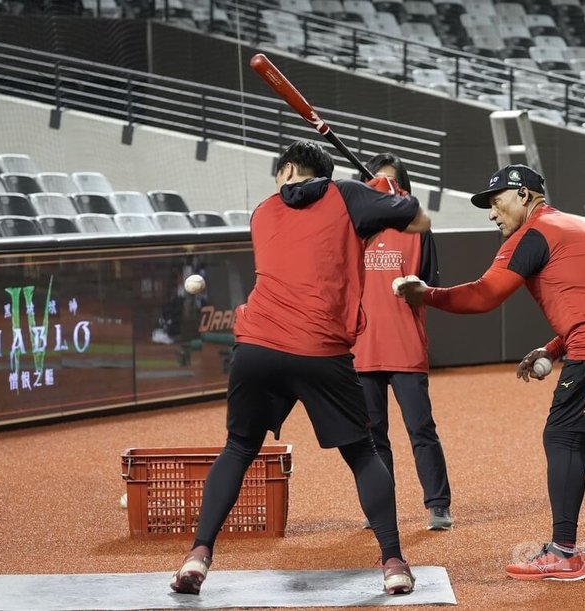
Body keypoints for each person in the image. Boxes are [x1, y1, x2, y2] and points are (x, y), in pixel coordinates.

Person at [170, 140, 431, 596]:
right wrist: (387, 192)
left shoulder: (263, 211)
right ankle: (392, 561)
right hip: (319, 348)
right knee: (363, 454)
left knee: (237, 448)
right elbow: (418, 219)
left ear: (288, 169)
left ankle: (197, 555)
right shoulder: (348, 195)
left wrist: (372, 200)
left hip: (258, 348)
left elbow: (326, 233)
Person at [397, 164, 585, 581]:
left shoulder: (532, 235)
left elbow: (484, 296)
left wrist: (427, 295)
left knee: (562, 435)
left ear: (524, 195)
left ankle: (563, 553)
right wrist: (554, 347)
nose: (492, 213)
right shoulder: (574, 226)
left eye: (496, 202)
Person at [352, 152, 453, 531]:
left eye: (392, 183)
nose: (385, 189)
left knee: (421, 429)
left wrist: (416, 289)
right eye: (376, 183)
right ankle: (380, 509)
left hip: (405, 347)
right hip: (362, 350)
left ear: (404, 190)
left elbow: (430, 286)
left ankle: (438, 505)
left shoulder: (418, 230)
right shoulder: (352, 230)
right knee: (372, 436)